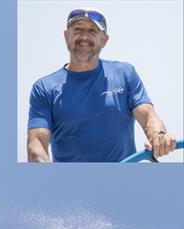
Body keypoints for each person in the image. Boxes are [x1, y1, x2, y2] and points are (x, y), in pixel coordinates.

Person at [27, 8, 176, 162]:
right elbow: (36, 144)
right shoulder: (44, 88)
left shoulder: (124, 73)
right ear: (66, 36)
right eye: (77, 29)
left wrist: (158, 136)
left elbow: (148, 116)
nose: (84, 36)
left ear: (104, 39)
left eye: (92, 30)